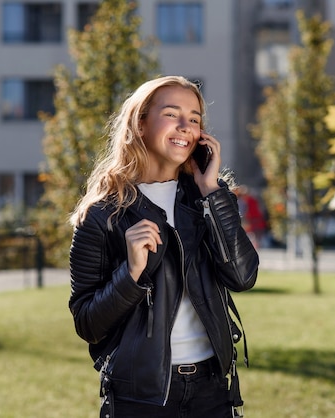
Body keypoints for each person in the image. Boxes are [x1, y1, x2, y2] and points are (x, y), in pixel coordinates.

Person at [68, 75, 259, 417]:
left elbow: (243, 276)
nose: (186, 126)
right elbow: (88, 324)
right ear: (140, 124)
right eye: (172, 114)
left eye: (195, 119)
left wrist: (213, 192)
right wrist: (131, 274)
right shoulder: (103, 215)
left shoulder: (208, 199)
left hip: (214, 389)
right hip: (141, 395)